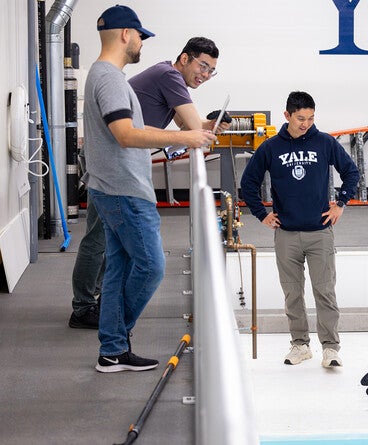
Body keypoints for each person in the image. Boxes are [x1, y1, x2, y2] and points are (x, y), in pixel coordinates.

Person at [83, 5, 216, 372]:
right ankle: (116, 339)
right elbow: (124, 135)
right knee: (153, 266)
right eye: (140, 35)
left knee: (118, 270)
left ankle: (112, 351)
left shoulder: (106, 75)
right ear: (126, 34)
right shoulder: (109, 77)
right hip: (123, 189)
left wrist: (186, 133)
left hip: (113, 186)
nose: (142, 42)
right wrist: (187, 135)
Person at [69, 36, 227, 329]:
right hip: (111, 165)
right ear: (184, 59)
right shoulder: (169, 75)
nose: (204, 75)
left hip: (118, 163)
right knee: (98, 239)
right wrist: (200, 128)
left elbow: (185, 124)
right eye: (202, 66)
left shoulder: (167, 77)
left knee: (109, 241)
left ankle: (97, 302)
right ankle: (82, 307)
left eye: (210, 71)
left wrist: (212, 123)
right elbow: (190, 128)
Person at [240, 91, 360, 368]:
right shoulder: (270, 148)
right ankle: (300, 345)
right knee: (292, 293)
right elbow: (249, 183)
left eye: (310, 118)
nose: (305, 123)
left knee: (325, 291)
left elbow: (351, 172)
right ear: (287, 116)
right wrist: (262, 215)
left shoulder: (325, 142)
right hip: (286, 234)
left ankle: (330, 348)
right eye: (300, 118)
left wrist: (341, 203)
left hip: (320, 233)